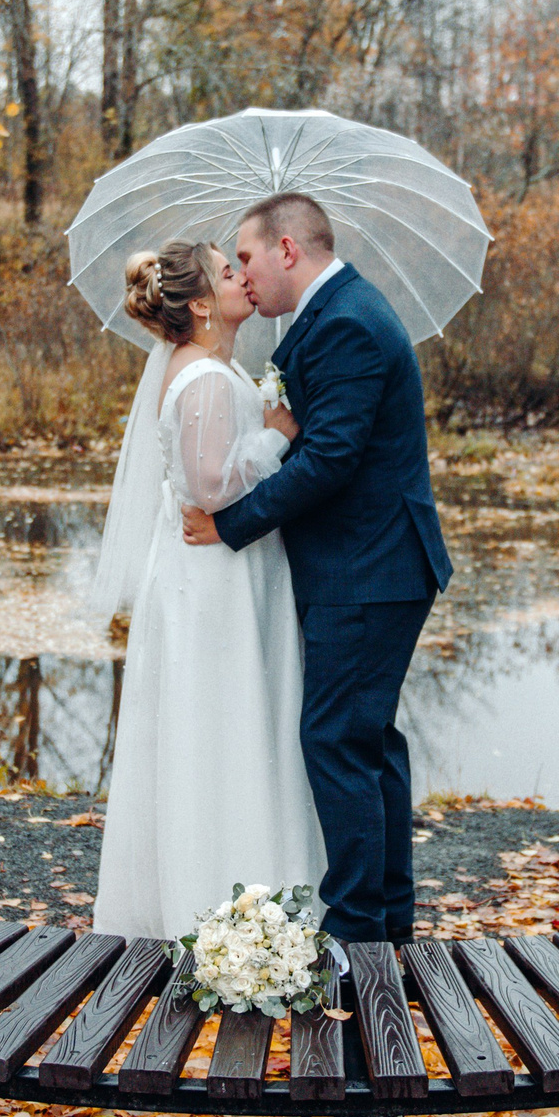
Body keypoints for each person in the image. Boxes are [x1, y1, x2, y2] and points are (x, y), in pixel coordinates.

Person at [181, 193, 453, 947]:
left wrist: (231, 523)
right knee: (367, 742)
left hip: (369, 568)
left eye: (246, 256)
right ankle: (388, 922)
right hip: (372, 565)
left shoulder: (346, 324)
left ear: (288, 250)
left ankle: (359, 934)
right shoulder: (331, 318)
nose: (241, 272)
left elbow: (331, 459)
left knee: (335, 739)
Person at [86, 239, 330, 942]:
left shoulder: (210, 369)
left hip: (207, 570)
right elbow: (211, 486)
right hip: (215, 578)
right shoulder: (207, 380)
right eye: (229, 272)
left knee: (212, 721)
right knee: (225, 724)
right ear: (198, 303)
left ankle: (227, 894)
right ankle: (227, 901)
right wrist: (279, 435)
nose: (243, 280)